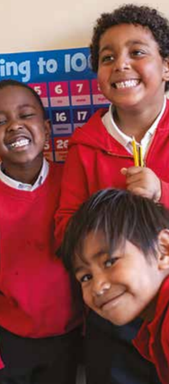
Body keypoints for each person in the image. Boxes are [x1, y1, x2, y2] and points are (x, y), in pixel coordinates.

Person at [55, 4, 169, 384]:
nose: (121, 64)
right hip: (113, 317)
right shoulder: (84, 147)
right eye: (108, 57)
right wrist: (109, 228)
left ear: (166, 66)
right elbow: (64, 230)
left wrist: (161, 193)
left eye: (137, 52)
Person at [0, 79, 83, 384]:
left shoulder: (73, 186)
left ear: (47, 129)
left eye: (26, 116)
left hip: (69, 338)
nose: (14, 126)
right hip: (8, 345)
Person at [61, 188, 169, 384]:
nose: (98, 286)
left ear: (163, 250)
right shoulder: (155, 326)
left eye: (110, 262)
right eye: (86, 277)